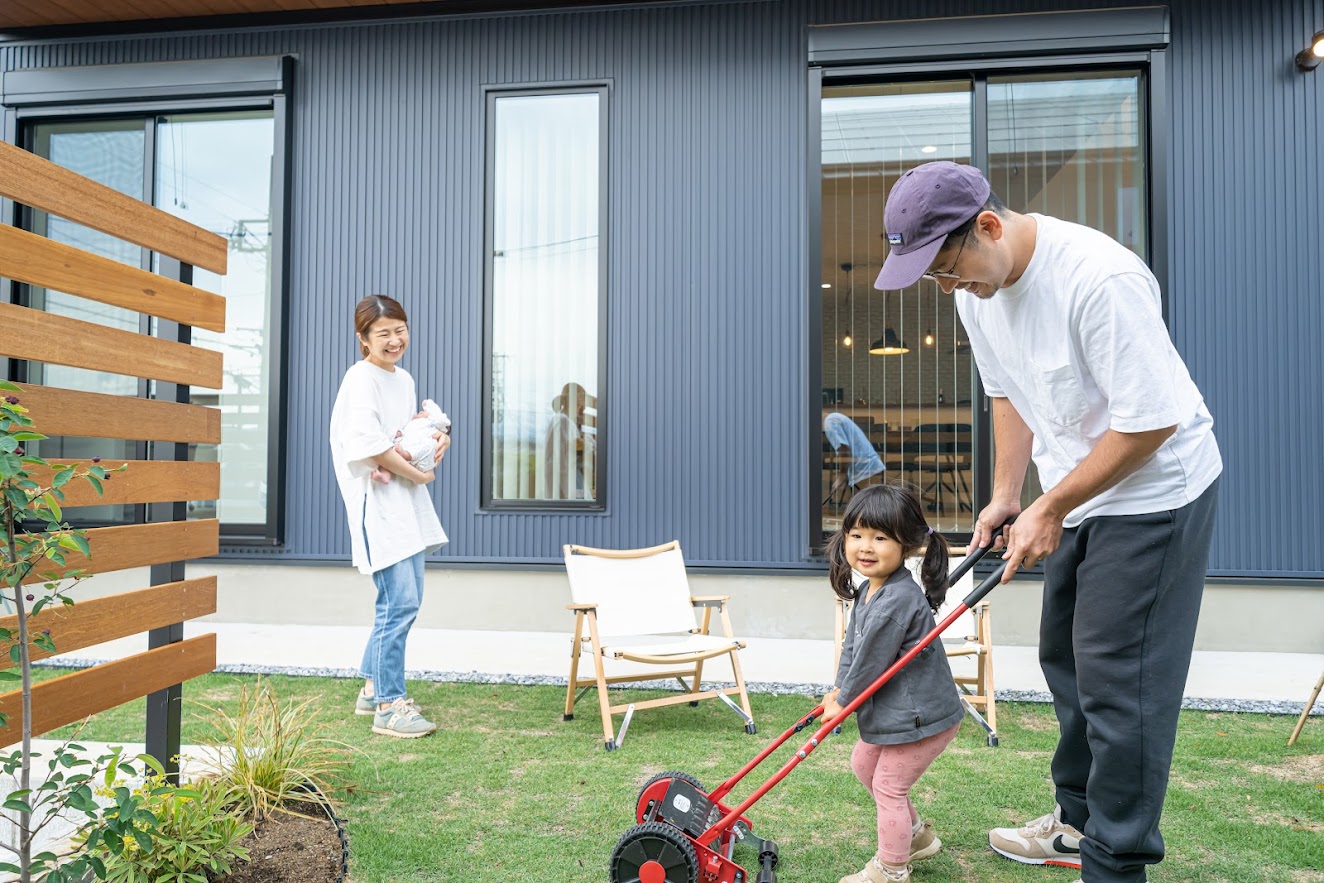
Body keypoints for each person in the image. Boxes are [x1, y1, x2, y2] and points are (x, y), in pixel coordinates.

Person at [874, 161, 1221, 883]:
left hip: (1154, 492)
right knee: (1065, 657)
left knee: (1118, 686)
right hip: (1071, 490)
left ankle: (1115, 862)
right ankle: (1075, 824)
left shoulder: (1099, 281)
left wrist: (1050, 505)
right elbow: (1008, 394)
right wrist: (1008, 493)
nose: (950, 289)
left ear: (989, 226)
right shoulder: (978, 290)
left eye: (948, 269)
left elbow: (1152, 421)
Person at [823, 483, 963, 883]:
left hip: (923, 716)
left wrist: (845, 701)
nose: (866, 547)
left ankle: (891, 869)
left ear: (907, 546)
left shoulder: (899, 599)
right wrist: (838, 689)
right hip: (899, 711)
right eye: (857, 535)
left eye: (880, 537)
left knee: (888, 785)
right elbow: (853, 647)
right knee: (863, 763)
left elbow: (870, 664)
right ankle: (916, 836)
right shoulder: (869, 589)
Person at [329, 294, 451, 738]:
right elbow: (366, 444)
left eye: (400, 330)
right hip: (378, 505)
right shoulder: (359, 379)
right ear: (363, 339)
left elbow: (406, 435)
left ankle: (370, 687)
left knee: (403, 601)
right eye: (383, 333)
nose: (395, 340)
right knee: (397, 604)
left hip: (403, 503)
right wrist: (418, 476)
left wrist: (437, 444)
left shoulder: (404, 379)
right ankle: (388, 704)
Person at [368, 398, 452, 484]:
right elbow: (407, 433)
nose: (420, 412)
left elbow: (441, 421)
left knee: (420, 447)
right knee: (391, 455)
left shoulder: (429, 426)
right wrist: (400, 434)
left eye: (424, 412)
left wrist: (445, 437)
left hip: (418, 455)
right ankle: (385, 476)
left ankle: (405, 455)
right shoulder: (415, 424)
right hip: (404, 453)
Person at [542, 381, 595, 500]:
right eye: (581, 404)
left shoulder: (562, 422)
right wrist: (572, 498)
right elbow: (562, 464)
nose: (584, 408)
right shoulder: (562, 422)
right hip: (565, 492)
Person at [823, 412, 886, 501]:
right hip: (868, 466)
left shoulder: (829, 422)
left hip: (864, 468)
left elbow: (843, 449)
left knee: (869, 508)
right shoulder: (835, 418)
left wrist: (842, 475)